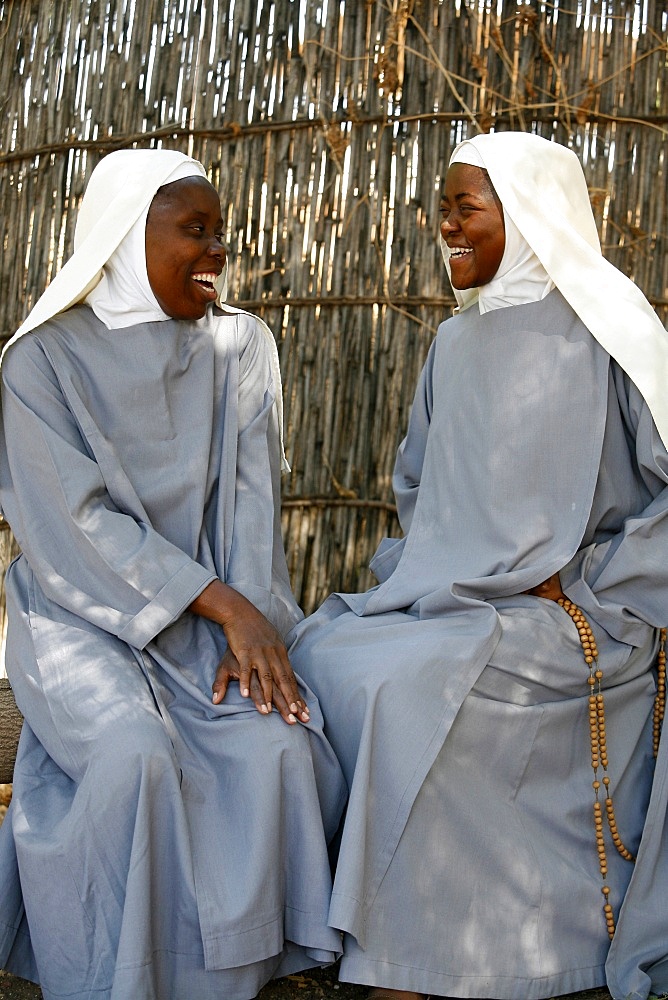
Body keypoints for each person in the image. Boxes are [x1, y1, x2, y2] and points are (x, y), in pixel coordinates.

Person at [287, 130, 668, 1000]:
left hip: (581, 617)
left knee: (413, 681)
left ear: (528, 216)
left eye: (466, 207)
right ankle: (342, 929)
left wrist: (594, 580)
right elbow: (422, 493)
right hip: (457, 600)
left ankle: (412, 963)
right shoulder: (452, 347)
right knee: (325, 655)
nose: (445, 225)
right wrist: (438, 569)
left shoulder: (616, 335)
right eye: (444, 207)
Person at [0, 148, 346, 1000]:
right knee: (135, 757)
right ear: (124, 237)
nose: (217, 251)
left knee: (277, 744)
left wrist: (250, 619)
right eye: (195, 231)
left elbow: (252, 508)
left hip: (211, 625)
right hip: (76, 618)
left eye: (220, 233)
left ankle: (235, 967)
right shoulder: (38, 361)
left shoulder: (240, 345)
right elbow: (72, 526)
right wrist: (222, 604)